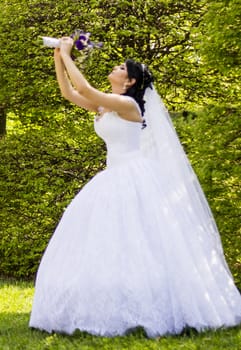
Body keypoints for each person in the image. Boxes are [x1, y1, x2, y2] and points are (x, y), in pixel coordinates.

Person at [29, 37, 241, 338]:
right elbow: (69, 93)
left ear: (129, 81)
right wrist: (58, 57)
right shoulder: (106, 105)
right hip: (112, 174)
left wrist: (68, 53)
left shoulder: (127, 105)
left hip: (133, 176)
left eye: (120, 67)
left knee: (141, 242)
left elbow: (86, 90)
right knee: (111, 242)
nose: (114, 68)